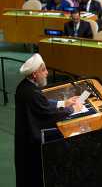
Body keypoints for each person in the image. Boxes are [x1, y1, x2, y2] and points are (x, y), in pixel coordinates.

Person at [15, 53, 82, 187]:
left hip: (24, 141)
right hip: (31, 147)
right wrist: (73, 109)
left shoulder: (25, 86)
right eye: (43, 70)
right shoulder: (31, 93)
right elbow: (47, 114)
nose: (47, 73)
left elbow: (43, 104)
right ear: (34, 74)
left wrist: (64, 103)